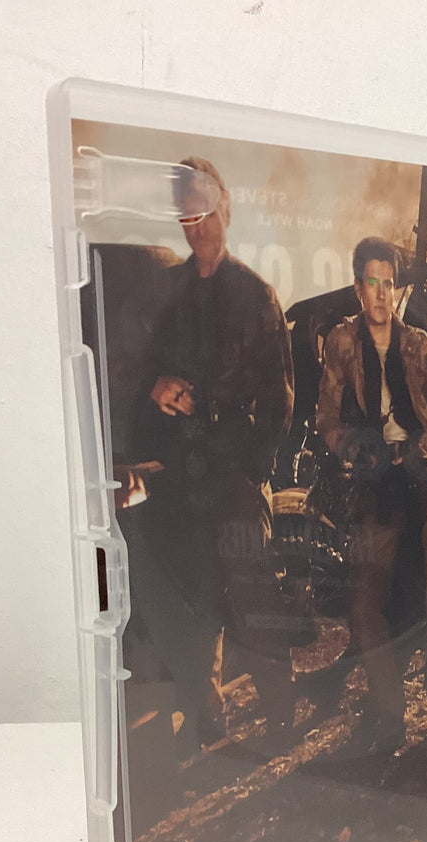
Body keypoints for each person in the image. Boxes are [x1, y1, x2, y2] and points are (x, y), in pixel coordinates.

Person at [121, 155, 295, 755]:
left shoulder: (255, 295)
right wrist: (156, 387)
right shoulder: (169, 294)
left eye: (205, 212)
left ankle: (280, 714)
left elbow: (280, 398)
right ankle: (208, 716)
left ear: (226, 207)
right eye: (186, 217)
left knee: (252, 592)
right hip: (184, 469)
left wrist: (253, 474)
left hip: (236, 470)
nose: (197, 228)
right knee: (194, 597)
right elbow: (141, 367)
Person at [315, 236, 427, 742]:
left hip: (424, 466)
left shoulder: (418, 345)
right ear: (358, 287)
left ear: (397, 289)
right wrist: (352, 447)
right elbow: (326, 419)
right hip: (377, 477)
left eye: (390, 284)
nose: (382, 294)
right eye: (372, 283)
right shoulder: (341, 343)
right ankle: (388, 713)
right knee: (363, 601)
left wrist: (425, 449)